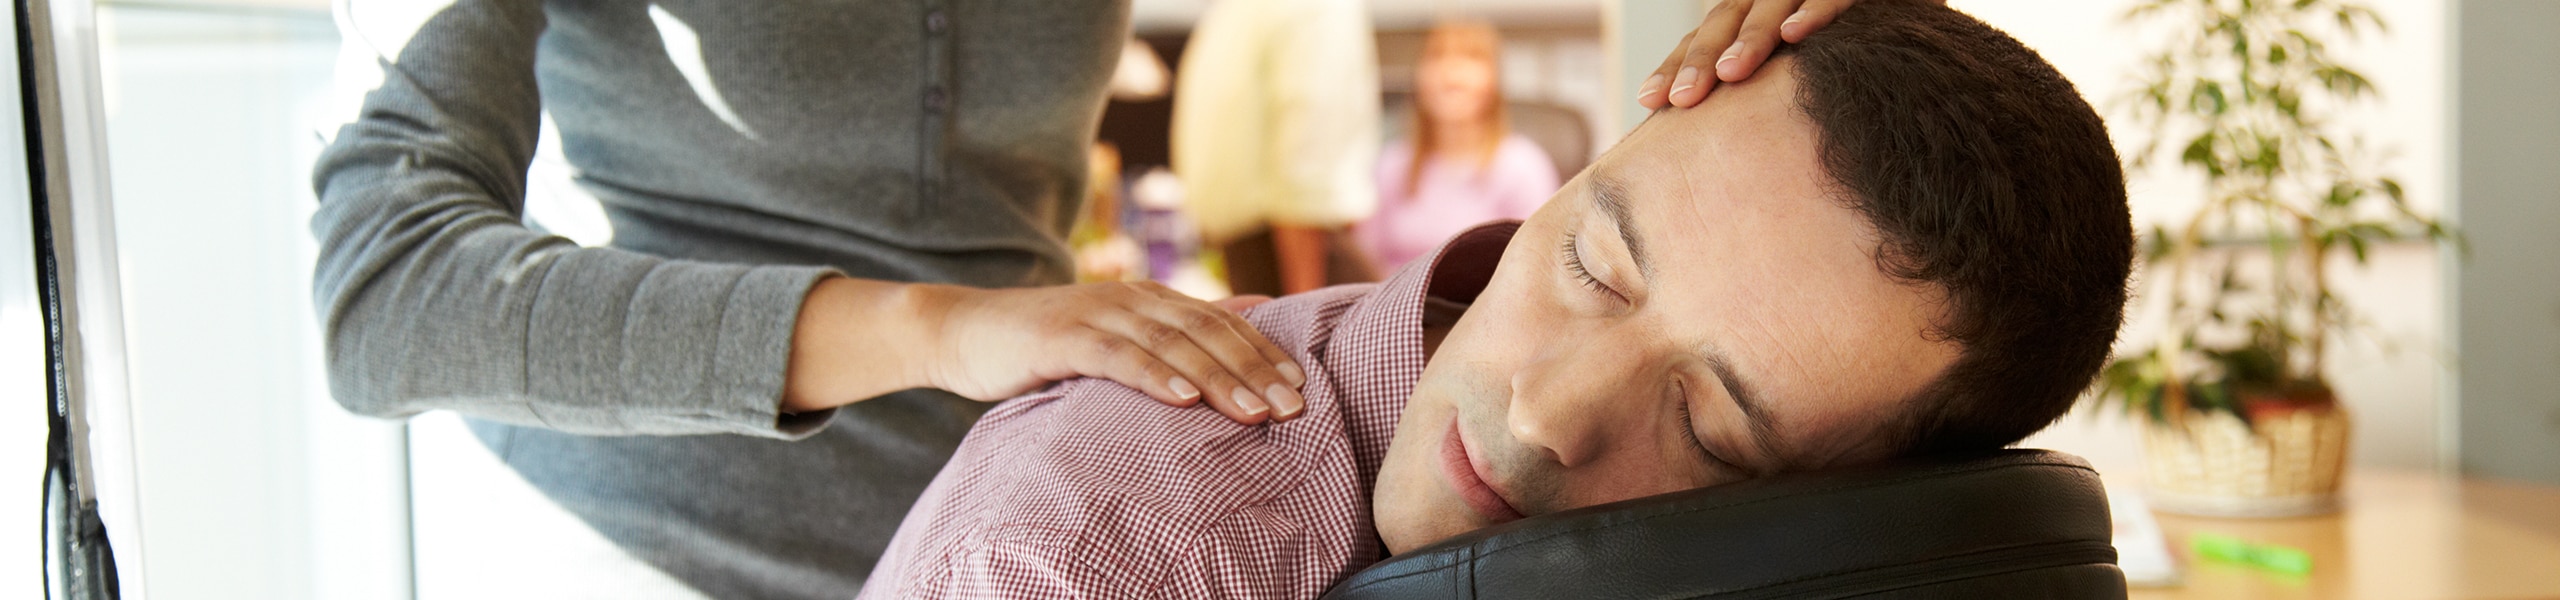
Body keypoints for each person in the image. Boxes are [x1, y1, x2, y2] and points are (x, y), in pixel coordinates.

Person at [311, 0, 1879, 596]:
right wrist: (947, 330)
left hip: (1073, 469)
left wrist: (1805, 57)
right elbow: (387, 298)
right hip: (661, 530)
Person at [858, 2, 2134, 597]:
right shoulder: (1082, 555)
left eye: (1711, 432)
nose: (1542, 412)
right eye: (1590, 265)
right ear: (1570, 180)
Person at [1172, 0, 1382, 296]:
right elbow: (1306, 165)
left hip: (1256, 250)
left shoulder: (1234, 12)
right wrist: (1306, 302)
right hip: (1296, 256)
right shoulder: (1316, 8)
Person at [1360, 22, 1561, 273]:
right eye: (1437, 57)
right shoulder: (1390, 165)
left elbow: (1534, 268)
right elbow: (1365, 265)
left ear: (1494, 80)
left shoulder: (1524, 167)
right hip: (1397, 305)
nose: (1450, 72)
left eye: (1471, 57)